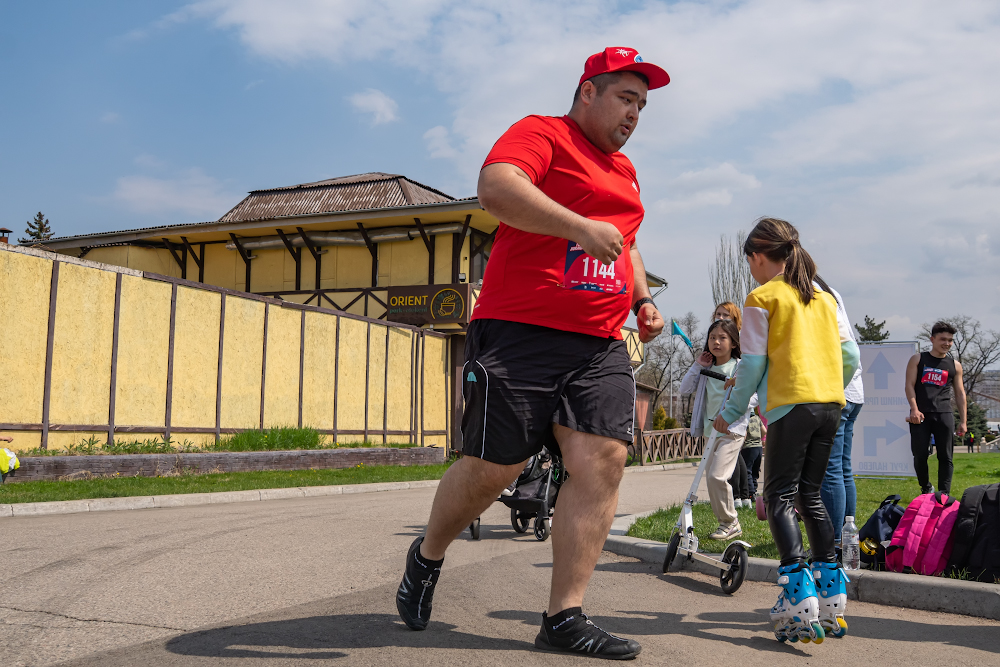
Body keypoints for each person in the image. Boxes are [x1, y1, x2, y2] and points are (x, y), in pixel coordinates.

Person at [395, 47, 670, 660]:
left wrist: (642, 297)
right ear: (587, 92)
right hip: (519, 330)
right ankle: (427, 553)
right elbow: (496, 187)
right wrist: (577, 226)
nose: (635, 114)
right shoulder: (541, 134)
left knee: (602, 460)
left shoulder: (624, 171)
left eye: (642, 105)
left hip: (598, 342)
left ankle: (564, 617)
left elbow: (626, 244)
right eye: (626, 98)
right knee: (496, 468)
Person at [714, 217, 859, 643]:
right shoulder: (823, 296)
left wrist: (734, 410)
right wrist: (827, 383)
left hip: (790, 406)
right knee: (810, 495)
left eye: (750, 262)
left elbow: (754, 364)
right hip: (830, 404)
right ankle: (831, 590)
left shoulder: (763, 296)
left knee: (778, 496)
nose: (750, 271)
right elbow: (849, 356)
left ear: (759, 256)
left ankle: (796, 592)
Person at [679, 319, 756, 540]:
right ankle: (726, 523)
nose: (716, 342)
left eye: (723, 337)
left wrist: (738, 388)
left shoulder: (740, 367)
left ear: (733, 342)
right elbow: (685, 389)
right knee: (711, 480)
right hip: (709, 432)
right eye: (712, 337)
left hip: (732, 431)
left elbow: (755, 397)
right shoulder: (706, 368)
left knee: (716, 477)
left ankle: (731, 522)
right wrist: (697, 365)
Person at [818, 282, 864, 558]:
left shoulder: (810, 289)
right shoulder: (830, 289)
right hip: (854, 389)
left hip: (839, 389)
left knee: (830, 470)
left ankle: (834, 541)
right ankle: (847, 538)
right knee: (842, 469)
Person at [905, 321, 967, 494]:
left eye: (950, 340)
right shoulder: (918, 359)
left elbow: (960, 393)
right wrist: (914, 409)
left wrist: (963, 421)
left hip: (944, 414)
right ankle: (926, 488)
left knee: (946, 457)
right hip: (921, 416)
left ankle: (944, 494)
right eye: (942, 339)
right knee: (920, 456)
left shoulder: (955, 365)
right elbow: (909, 385)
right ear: (932, 339)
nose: (946, 343)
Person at [740, 410, 764, 501]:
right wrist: (758, 439)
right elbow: (764, 431)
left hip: (749, 447)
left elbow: (745, 434)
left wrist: (741, 445)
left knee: (747, 470)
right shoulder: (757, 418)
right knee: (755, 470)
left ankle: (751, 493)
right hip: (759, 447)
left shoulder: (745, 419)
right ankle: (754, 490)